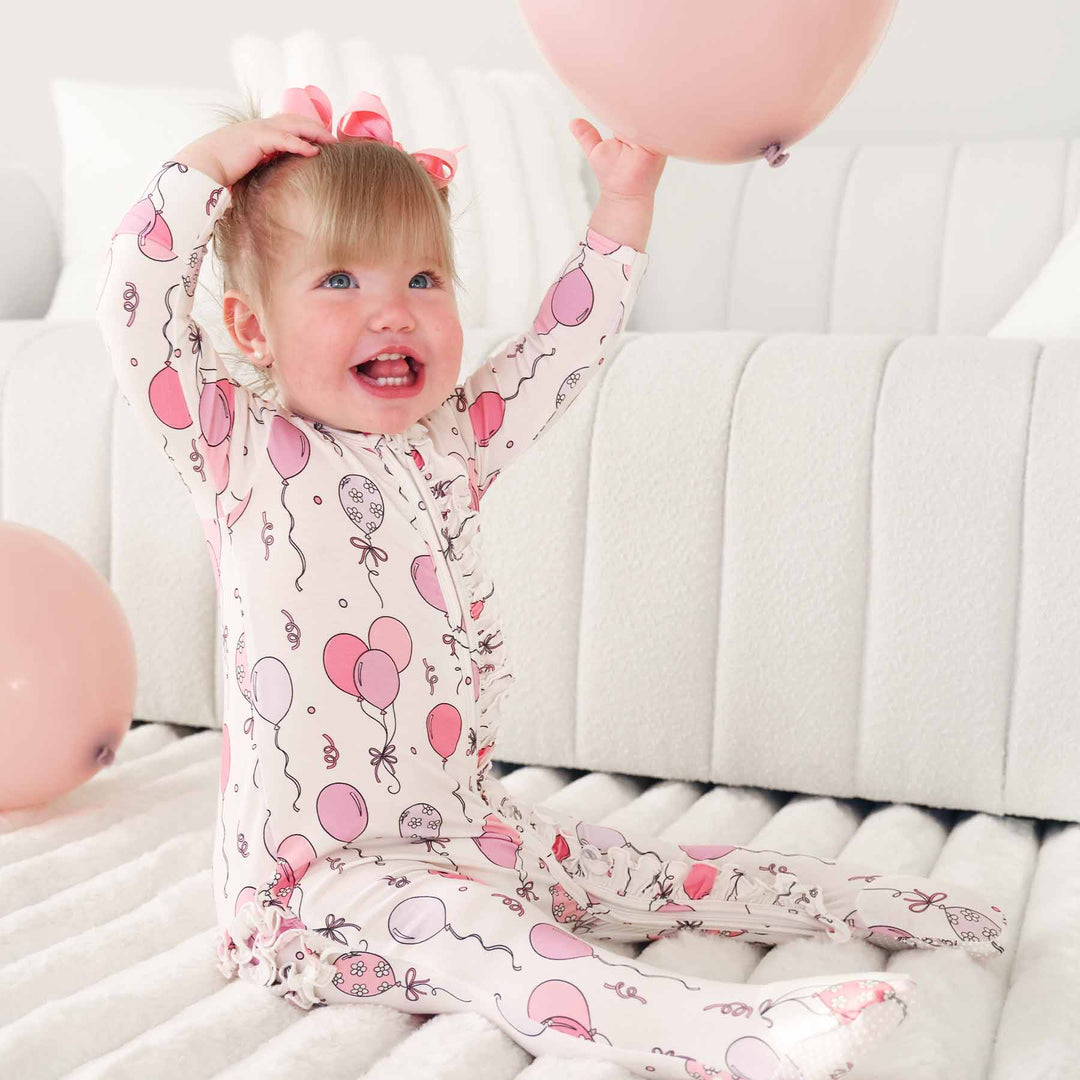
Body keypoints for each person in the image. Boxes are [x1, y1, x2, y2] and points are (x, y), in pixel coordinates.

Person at [93, 85, 1006, 1079]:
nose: (394, 310)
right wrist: (205, 166)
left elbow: (560, 350)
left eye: (425, 277)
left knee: (650, 871)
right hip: (318, 889)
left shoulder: (450, 446)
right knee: (500, 946)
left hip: (469, 831)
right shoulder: (235, 450)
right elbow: (134, 310)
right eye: (341, 280)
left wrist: (624, 206)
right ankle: (733, 1035)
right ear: (251, 327)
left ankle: (895, 907)